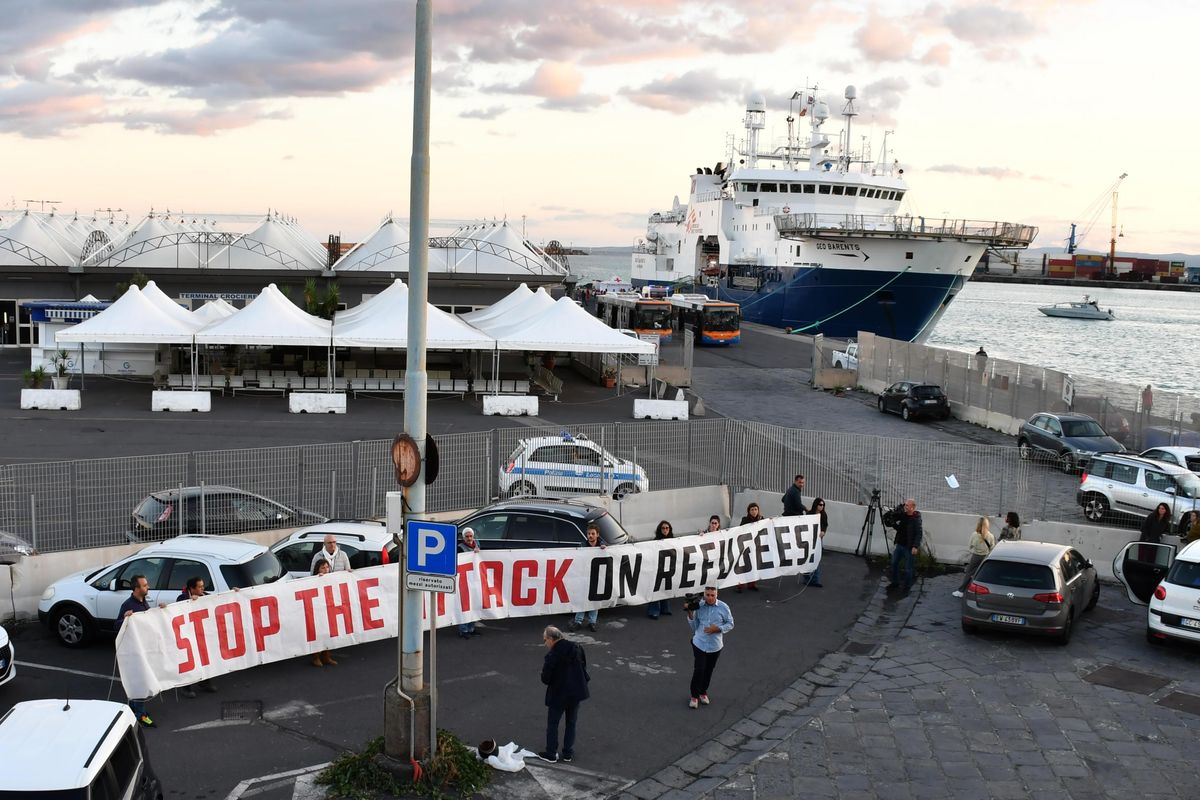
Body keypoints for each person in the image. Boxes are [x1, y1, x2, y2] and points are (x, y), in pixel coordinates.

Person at [538, 625, 590, 763]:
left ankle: (551, 753)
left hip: (558, 693)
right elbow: (583, 666)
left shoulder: (552, 655)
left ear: (551, 639)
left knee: (553, 723)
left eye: (545, 640)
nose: (545, 643)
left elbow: (546, 679)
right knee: (571, 723)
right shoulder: (577, 647)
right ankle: (567, 753)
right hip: (576, 692)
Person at [117, 575, 156, 728]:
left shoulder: (143, 602)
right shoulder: (127, 604)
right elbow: (116, 625)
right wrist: (124, 618)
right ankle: (140, 715)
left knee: (139, 682)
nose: (148, 587)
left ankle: (134, 709)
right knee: (140, 682)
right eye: (145, 585)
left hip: (144, 649)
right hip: (134, 652)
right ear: (136, 588)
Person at [686, 586, 734, 709]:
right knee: (699, 669)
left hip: (715, 646)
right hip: (699, 643)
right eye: (707, 595)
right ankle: (694, 696)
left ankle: (703, 692)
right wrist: (690, 613)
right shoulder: (699, 606)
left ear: (716, 595)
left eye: (712, 595)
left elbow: (730, 624)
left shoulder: (723, 607)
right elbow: (694, 626)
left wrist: (718, 629)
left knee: (709, 670)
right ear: (704, 595)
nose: (710, 597)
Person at [175, 576, 217, 697]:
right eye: (200, 587)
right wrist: (190, 601)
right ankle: (185, 687)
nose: (202, 588)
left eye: (203, 586)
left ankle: (204, 682)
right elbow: (179, 610)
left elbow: (218, 598)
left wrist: (234, 593)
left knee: (205, 658)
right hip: (188, 635)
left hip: (201, 634)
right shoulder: (182, 598)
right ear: (192, 589)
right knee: (190, 661)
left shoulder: (204, 595)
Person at [570, 525, 605, 632]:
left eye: (593, 533)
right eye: (589, 533)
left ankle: (592, 622)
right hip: (584, 576)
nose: (590, 536)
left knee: (595, 599)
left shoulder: (602, 545)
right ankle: (578, 621)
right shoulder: (582, 545)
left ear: (597, 535)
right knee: (582, 599)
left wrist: (603, 547)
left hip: (597, 576)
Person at [887, 499, 923, 593]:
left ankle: (906, 587)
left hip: (909, 547)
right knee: (894, 563)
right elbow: (900, 528)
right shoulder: (903, 516)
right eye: (905, 505)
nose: (905, 507)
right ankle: (895, 582)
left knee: (908, 569)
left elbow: (919, 533)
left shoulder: (916, 519)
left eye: (907, 505)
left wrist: (915, 546)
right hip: (900, 545)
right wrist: (893, 523)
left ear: (912, 507)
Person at [953, 517, 994, 597]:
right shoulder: (991, 536)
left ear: (978, 524)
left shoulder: (974, 535)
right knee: (981, 574)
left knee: (969, 573)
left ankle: (961, 591)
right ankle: (981, 592)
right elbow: (992, 548)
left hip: (976, 556)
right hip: (986, 557)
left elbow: (970, 546)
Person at [310, 560, 338, 666]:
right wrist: (318, 579)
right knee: (317, 634)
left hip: (329, 609)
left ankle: (326, 656)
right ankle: (315, 657)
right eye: (323, 568)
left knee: (328, 633)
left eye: (327, 567)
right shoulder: (313, 580)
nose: (326, 570)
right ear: (317, 569)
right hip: (317, 611)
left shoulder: (332, 578)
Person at [647, 521, 675, 619]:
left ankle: (665, 609)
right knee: (656, 589)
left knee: (665, 588)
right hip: (657, 568)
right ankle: (653, 611)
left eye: (667, 528)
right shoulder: (655, 541)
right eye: (663, 528)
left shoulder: (674, 541)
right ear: (660, 529)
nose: (665, 530)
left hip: (668, 568)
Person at [458, 528, 481, 639]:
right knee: (464, 605)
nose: (469, 538)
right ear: (463, 537)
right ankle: (464, 630)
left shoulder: (477, 544)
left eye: (470, 536)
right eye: (467, 536)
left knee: (474, 604)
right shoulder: (460, 548)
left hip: (475, 579)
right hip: (464, 580)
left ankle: (471, 628)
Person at [736, 503, 764, 592]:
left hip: (756, 546)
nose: (754, 511)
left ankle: (752, 584)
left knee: (754, 564)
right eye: (752, 509)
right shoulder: (745, 520)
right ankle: (740, 585)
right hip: (746, 545)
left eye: (756, 509)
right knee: (744, 565)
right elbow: (740, 531)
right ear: (749, 511)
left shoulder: (762, 519)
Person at [805, 498, 828, 588]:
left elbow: (825, 524)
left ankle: (815, 579)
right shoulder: (809, 514)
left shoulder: (823, 514)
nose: (822, 507)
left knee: (816, 558)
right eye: (820, 505)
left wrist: (823, 531)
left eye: (823, 505)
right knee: (807, 558)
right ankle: (807, 578)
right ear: (816, 505)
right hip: (809, 538)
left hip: (818, 539)